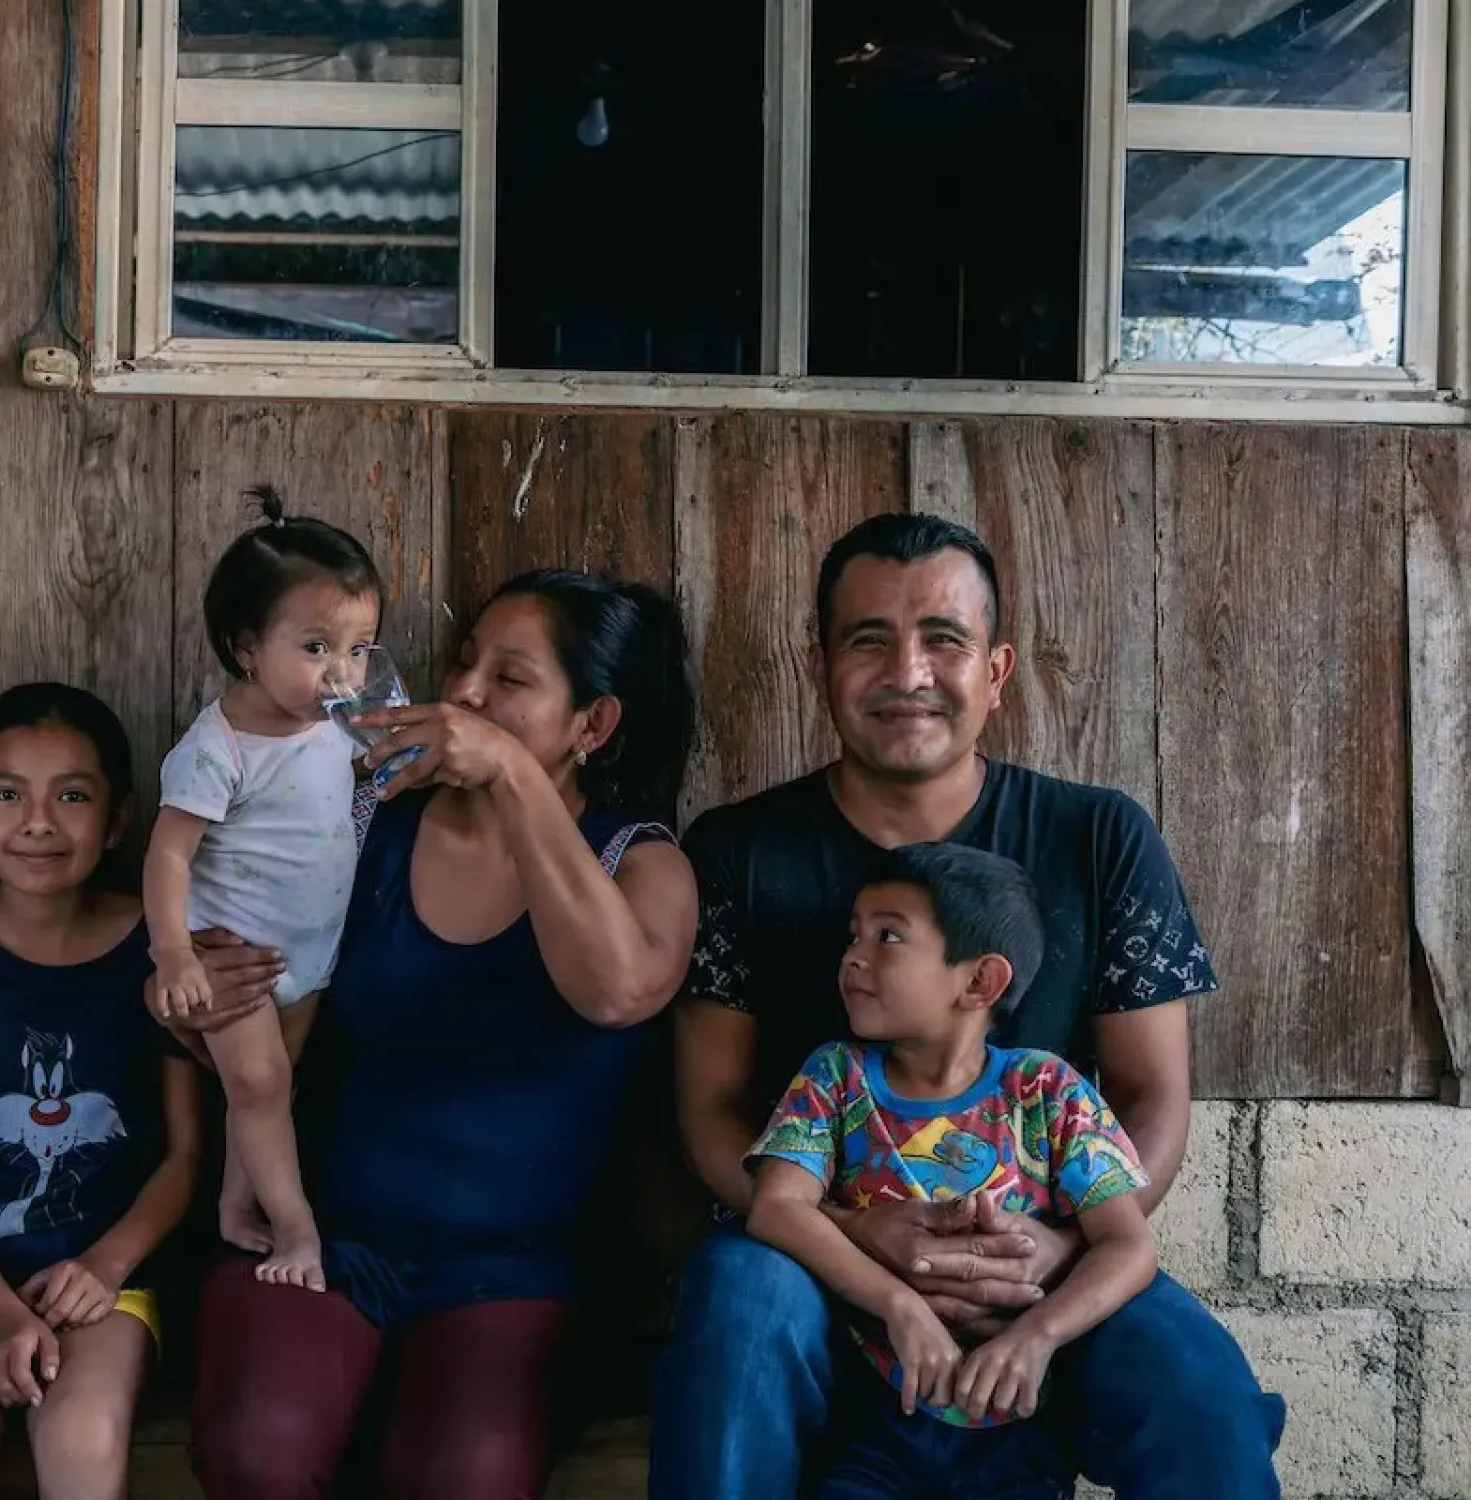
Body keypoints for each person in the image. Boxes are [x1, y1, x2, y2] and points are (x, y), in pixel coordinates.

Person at [653, 513, 1285, 1500]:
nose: (907, 672)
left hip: (1042, 1270)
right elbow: (711, 1111)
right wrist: (863, 1232)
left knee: (1201, 1394)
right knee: (735, 1311)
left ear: (994, 671)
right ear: (820, 664)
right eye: (869, 640)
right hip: (812, 1267)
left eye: (942, 640)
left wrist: (1058, 1248)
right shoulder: (738, 850)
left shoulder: (1098, 837)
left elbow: (1151, 1094)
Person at [167, 569, 701, 1500]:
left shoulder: (637, 862)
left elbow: (618, 991)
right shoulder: (363, 823)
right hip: (325, 1244)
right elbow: (241, 994)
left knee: (462, 1477)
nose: (463, 695)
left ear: (595, 725)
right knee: (260, 1448)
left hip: (515, 1274)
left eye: (511, 679)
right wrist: (185, 994)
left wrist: (506, 772)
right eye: (464, 663)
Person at [748, 843, 1157, 1500]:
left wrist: (1036, 1337)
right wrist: (900, 1305)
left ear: (979, 983)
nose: (853, 955)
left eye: (888, 937)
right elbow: (776, 1206)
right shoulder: (837, 1077)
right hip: (873, 1419)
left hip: (1016, 1428)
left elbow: (1128, 1245)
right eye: (853, 934)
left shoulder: (1045, 1090)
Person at [0, 682, 202, 1500]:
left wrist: (104, 1265)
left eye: (72, 796)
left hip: (110, 1280)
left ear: (119, 819)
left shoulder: (159, 951)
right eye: (7, 794)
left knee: (82, 1440)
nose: (37, 822)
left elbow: (184, 1153)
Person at [143, 486, 381, 1291]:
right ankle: (298, 1231)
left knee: (270, 1094)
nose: (342, 673)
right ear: (247, 647)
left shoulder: (334, 722)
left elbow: (344, 786)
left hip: (309, 954)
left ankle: (235, 1205)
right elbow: (168, 855)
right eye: (317, 647)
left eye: (359, 649)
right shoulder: (218, 750)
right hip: (232, 952)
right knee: (260, 1085)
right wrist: (174, 954)